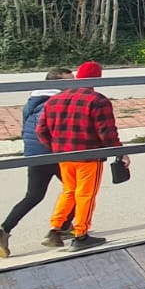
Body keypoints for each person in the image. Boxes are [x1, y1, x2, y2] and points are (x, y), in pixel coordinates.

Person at [34, 62, 129, 252]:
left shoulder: (55, 99)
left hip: (64, 154)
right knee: (86, 194)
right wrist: (119, 152)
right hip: (89, 155)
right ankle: (81, 235)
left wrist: (55, 147)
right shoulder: (97, 100)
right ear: (96, 79)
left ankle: (55, 228)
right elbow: (107, 133)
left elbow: (41, 130)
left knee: (69, 191)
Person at [1, 66, 75, 256]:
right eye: (70, 81)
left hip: (35, 153)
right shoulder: (55, 102)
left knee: (34, 195)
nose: (75, 84)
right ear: (56, 85)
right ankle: (61, 227)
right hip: (52, 153)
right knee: (78, 188)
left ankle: (4, 230)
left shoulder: (35, 100)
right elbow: (57, 130)